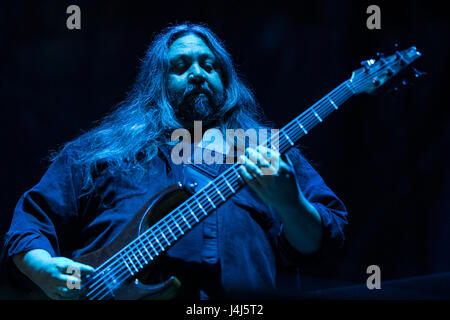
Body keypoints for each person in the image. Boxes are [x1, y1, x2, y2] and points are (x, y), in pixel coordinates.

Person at [1, 23, 348, 300]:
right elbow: (33, 219)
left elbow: (324, 242)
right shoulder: (105, 151)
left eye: (209, 65)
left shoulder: (267, 152)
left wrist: (291, 203)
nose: (198, 73)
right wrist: (40, 267)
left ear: (226, 81)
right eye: (180, 66)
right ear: (157, 84)